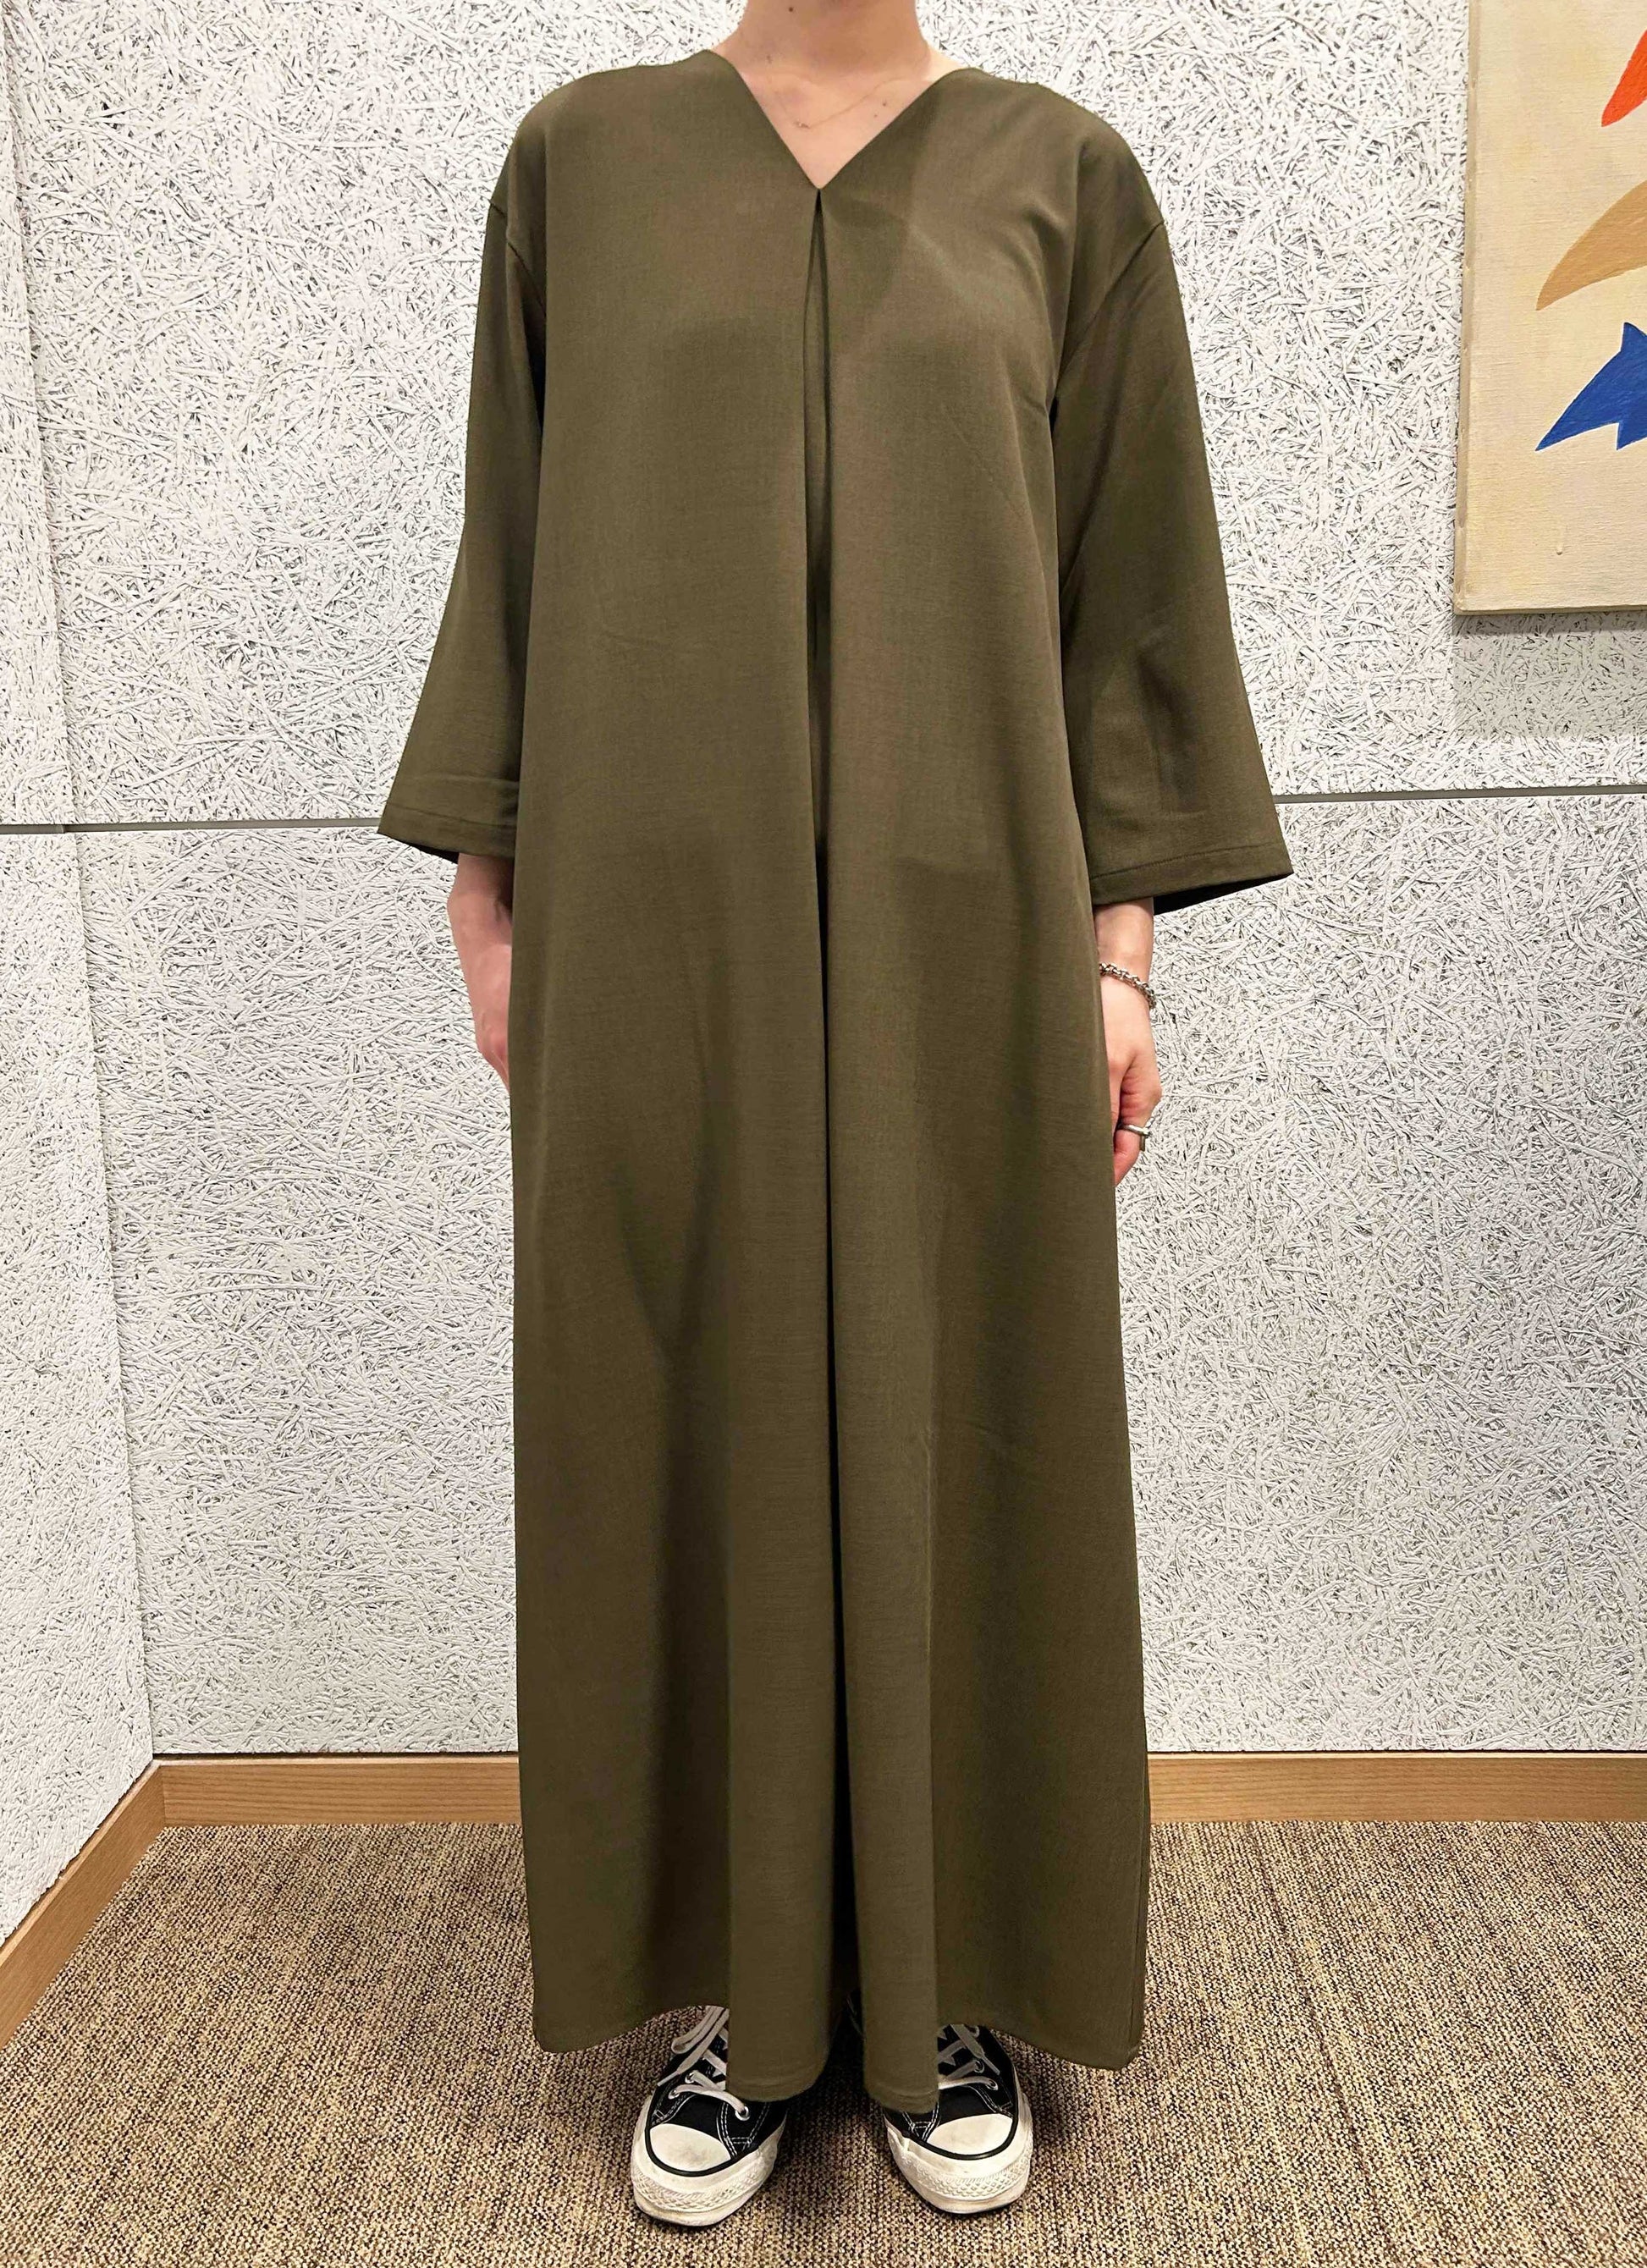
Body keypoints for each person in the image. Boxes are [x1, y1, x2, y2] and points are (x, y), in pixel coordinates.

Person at [377, 0, 1292, 2228]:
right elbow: (515, 547)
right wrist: (491, 893)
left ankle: (937, 1987)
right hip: (651, 932)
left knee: (962, 1415)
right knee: (671, 1414)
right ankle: (743, 1998)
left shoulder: (1059, 180)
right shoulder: (583, 164)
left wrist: (1120, 959)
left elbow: (1129, 598)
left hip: (965, 933)